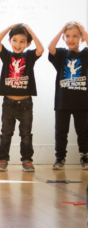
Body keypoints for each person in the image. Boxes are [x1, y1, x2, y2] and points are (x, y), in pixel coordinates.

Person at [0, 24, 43, 173]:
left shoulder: (29, 56)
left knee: (26, 134)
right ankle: (3, 160)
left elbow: (40, 49)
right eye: (15, 40)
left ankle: (27, 160)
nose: (18, 44)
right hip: (8, 103)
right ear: (10, 41)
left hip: (26, 103)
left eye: (22, 41)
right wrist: (9, 27)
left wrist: (30, 30)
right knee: (6, 133)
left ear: (28, 43)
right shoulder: (7, 56)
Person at [48, 21, 88, 170]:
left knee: (83, 131)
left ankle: (84, 156)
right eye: (68, 36)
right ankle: (60, 158)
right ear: (64, 38)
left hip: (82, 102)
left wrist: (83, 30)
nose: (71, 39)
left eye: (76, 36)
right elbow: (50, 48)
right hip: (62, 103)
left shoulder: (84, 55)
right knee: (61, 132)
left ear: (82, 38)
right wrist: (61, 31)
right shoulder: (61, 55)